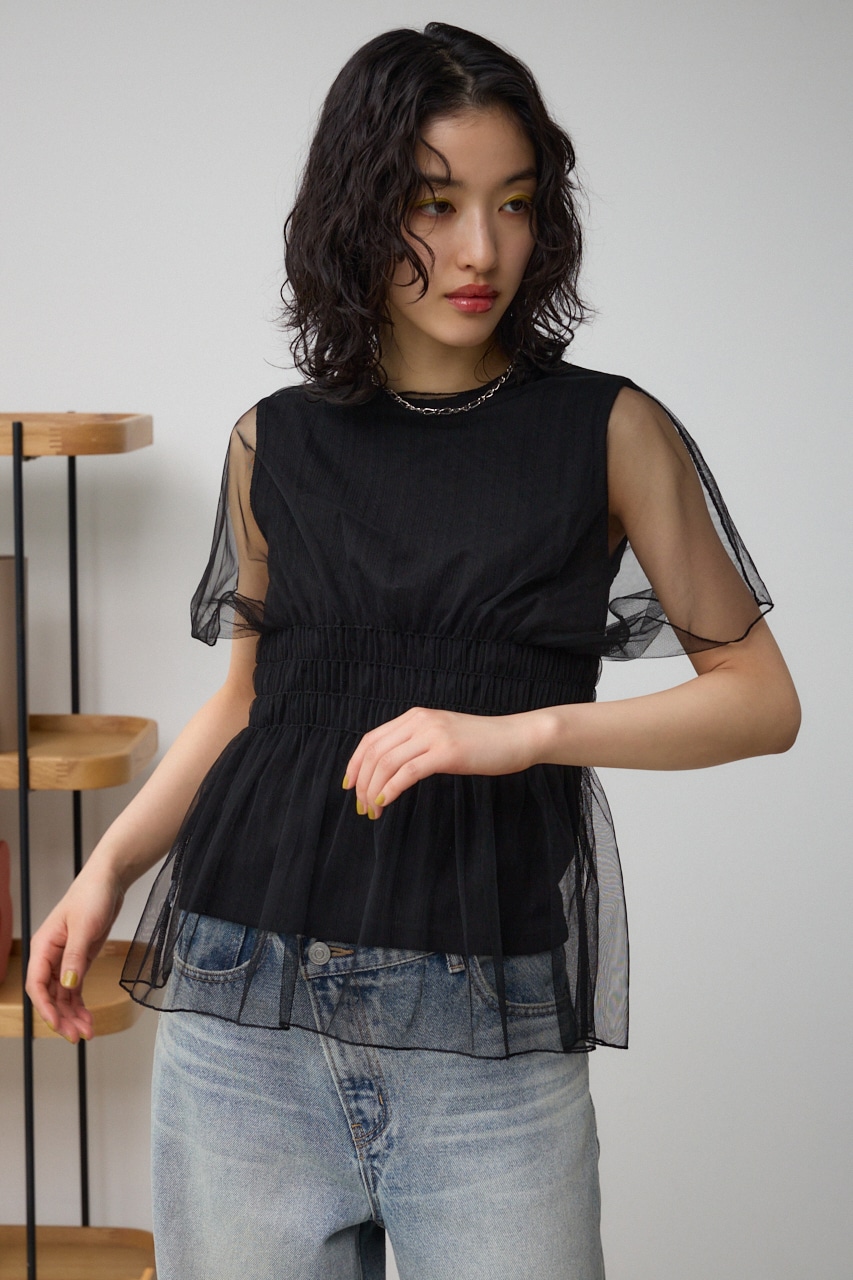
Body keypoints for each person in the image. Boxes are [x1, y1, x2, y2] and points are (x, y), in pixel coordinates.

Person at [26, 22, 800, 1280]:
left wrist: (521, 732)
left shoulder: (607, 429)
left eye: (513, 203)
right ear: (357, 208)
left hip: (483, 1027)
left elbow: (761, 701)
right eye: (434, 204)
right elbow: (247, 703)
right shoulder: (273, 440)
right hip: (243, 1002)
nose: (481, 249)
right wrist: (106, 869)